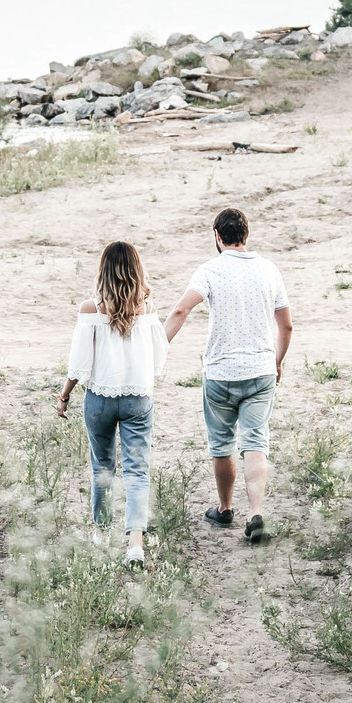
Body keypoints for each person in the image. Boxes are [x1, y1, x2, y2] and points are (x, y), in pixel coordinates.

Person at [164, 207, 292, 544]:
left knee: (221, 444)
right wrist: (277, 360)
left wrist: (157, 346)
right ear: (246, 235)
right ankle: (256, 513)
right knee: (255, 441)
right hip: (261, 370)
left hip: (220, 372)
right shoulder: (269, 270)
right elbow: (287, 325)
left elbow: (181, 310)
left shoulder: (209, 270)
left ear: (218, 238)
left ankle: (224, 509)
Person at [57, 241, 169, 564]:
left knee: (102, 466)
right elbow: (159, 355)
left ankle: (101, 534)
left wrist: (64, 396)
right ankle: (135, 544)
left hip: (99, 400)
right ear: (137, 270)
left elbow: (79, 365)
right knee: (137, 470)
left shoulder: (90, 310)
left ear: (103, 271)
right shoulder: (147, 310)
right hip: (137, 399)